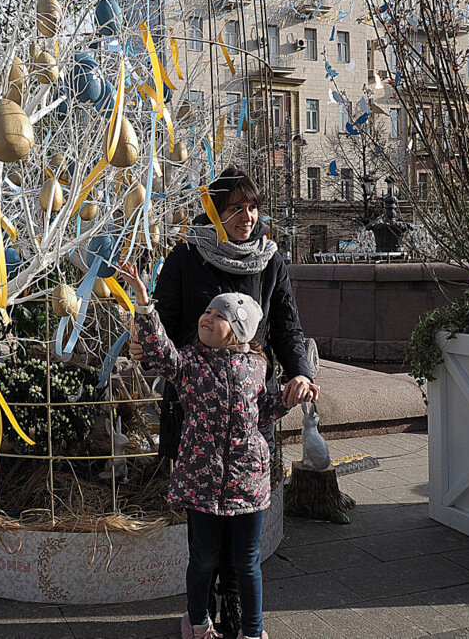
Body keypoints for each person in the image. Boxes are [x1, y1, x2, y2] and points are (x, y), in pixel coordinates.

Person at [130, 166, 316, 638]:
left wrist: (300, 373)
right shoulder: (187, 256)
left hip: (247, 410)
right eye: (235, 207)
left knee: (242, 540)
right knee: (205, 538)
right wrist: (144, 344)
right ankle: (202, 611)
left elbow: (287, 327)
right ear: (213, 210)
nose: (247, 216)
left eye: (252, 206)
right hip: (195, 411)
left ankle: (235, 606)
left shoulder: (269, 260)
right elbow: (167, 324)